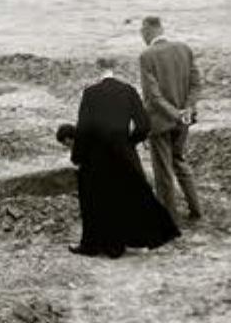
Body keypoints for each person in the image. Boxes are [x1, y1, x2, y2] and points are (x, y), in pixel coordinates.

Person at [59, 62, 179, 259]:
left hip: (97, 157)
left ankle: (93, 246)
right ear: (114, 73)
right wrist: (128, 143)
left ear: (99, 75)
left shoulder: (90, 93)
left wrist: (77, 156)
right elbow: (144, 125)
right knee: (125, 196)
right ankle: (124, 243)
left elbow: (84, 128)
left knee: (95, 200)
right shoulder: (129, 91)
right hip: (123, 154)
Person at [138, 15, 203, 224]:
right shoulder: (184, 49)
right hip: (184, 119)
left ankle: (168, 219)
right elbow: (196, 84)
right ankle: (196, 209)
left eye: (142, 31)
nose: (141, 35)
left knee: (163, 171)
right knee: (179, 161)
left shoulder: (146, 56)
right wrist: (186, 110)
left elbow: (153, 96)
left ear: (148, 30)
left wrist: (174, 113)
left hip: (161, 122)